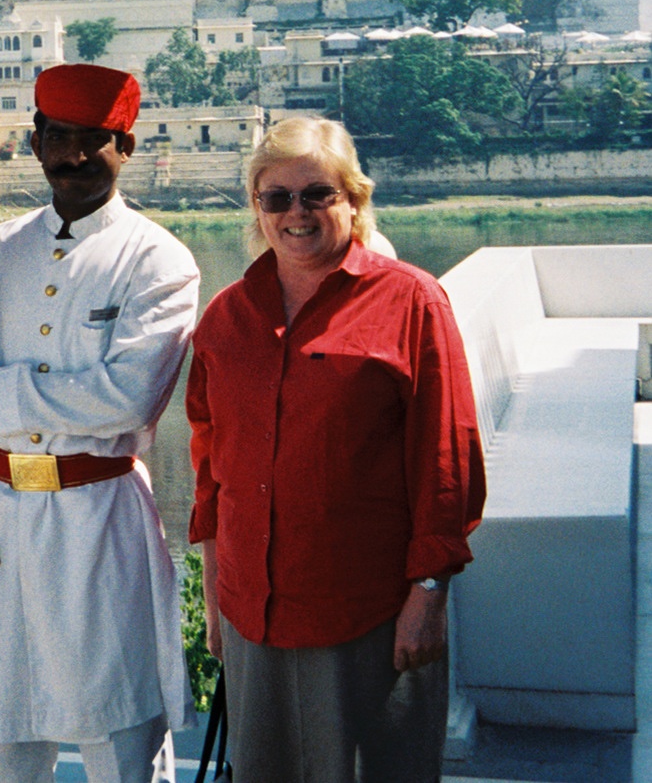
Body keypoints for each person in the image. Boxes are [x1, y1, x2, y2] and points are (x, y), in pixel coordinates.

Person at [186, 116, 486, 783]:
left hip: (367, 614)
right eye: (277, 197)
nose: (297, 212)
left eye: (317, 194)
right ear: (257, 209)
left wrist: (428, 595)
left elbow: (446, 461)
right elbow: (211, 471)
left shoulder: (410, 301)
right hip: (252, 612)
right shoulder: (226, 319)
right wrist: (215, 601)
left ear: (353, 199)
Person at [0, 64, 198, 783]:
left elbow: (126, 398)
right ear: (34, 142)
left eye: (95, 140)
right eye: (59, 137)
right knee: (4, 745)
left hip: (97, 522)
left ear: (127, 146)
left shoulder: (157, 259)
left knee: (119, 739)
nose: (75, 156)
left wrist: (4, 390)